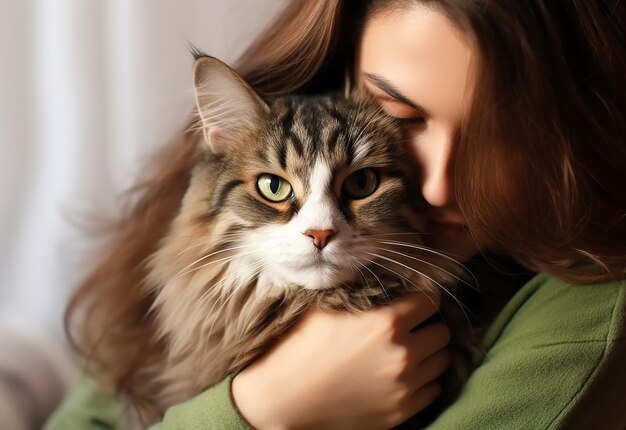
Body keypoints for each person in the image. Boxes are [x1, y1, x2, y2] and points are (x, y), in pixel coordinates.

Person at [45, 0, 626, 429]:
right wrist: (264, 406)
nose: (442, 184)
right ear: (345, 73)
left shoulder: (582, 314)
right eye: (403, 116)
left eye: (500, 135)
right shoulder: (175, 251)